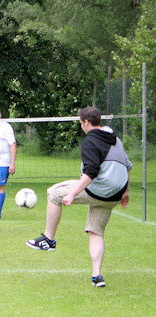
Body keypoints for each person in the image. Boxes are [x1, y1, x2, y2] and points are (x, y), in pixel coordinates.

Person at [26, 107, 131, 288]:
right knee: (95, 231)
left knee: (54, 193)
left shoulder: (90, 141)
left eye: (80, 122)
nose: (81, 125)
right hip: (115, 195)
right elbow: (127, 166)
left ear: (86, 122)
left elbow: (90, 172)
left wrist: (72, 194)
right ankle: (97, 276)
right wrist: (126, 192)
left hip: (98, 190)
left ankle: (48, 240)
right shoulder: (116, 140)